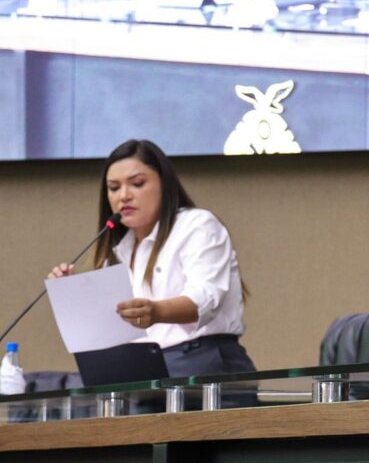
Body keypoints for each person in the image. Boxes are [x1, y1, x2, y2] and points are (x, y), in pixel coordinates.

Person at [49, 140, 255, 377]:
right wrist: (71, 296)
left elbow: (205, 299)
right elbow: (109, 331)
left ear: (164, 184)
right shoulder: (118, 251)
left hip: (202, 362)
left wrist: (157, 311)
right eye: (114, 188)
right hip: (142, 367)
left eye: (137, 184)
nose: (124, 196)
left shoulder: (197, 225)